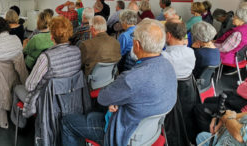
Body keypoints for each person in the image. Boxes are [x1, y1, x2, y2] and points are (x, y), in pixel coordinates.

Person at [61, 18, 177, 146]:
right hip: (150, 133)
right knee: (94, 114)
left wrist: (117, 101)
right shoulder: (169, 66)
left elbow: (103, 98)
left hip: (123, 134)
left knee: (67, 122)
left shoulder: (132, 78)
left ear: (137, 45)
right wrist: (120, 102)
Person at [10, 16, 81, 128]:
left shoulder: (46, 57)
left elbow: (29, 86)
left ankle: (19, 125)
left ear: (52, 36)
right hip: (69, 98)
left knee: (17, 88)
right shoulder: (77, 51)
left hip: (47, 101)